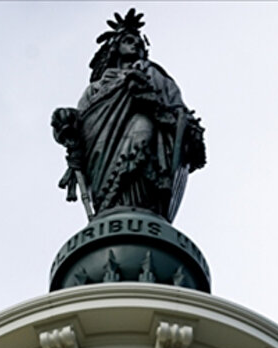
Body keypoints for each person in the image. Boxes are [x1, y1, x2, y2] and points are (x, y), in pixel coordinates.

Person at [53, 8, 206, 222]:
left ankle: (140, 208)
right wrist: (65, 120)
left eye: (139, 42)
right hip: (101, 155)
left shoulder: (153, 74)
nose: (136, 44)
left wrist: (158, 105)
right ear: (116, 48)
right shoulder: (96, 88)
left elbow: (178, 111)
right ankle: (110, 210)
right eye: (128, 40)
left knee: (142, 135)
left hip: (147, 132)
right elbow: (83, 123)